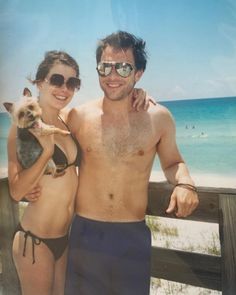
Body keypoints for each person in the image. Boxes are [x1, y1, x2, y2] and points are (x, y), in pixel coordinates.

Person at [65, 31, 199, 295]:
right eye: (106, 67)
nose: (113, 75)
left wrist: (186, 183)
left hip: (132, 237)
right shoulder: (78, 117)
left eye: (124, 67)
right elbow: (44, 126)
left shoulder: (159, 118)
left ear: (138, 73)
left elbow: (173, 162)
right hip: (85, 234)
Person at [7, 50, 151, 295]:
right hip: (35, 239)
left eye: (72, 83)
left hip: (66, 239)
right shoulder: (21, 129)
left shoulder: (67, 121)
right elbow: (16, 190)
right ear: (40, 82)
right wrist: (46, 151)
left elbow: (105, 109)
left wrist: (137, 93)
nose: (65, 88)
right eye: (56, 80)